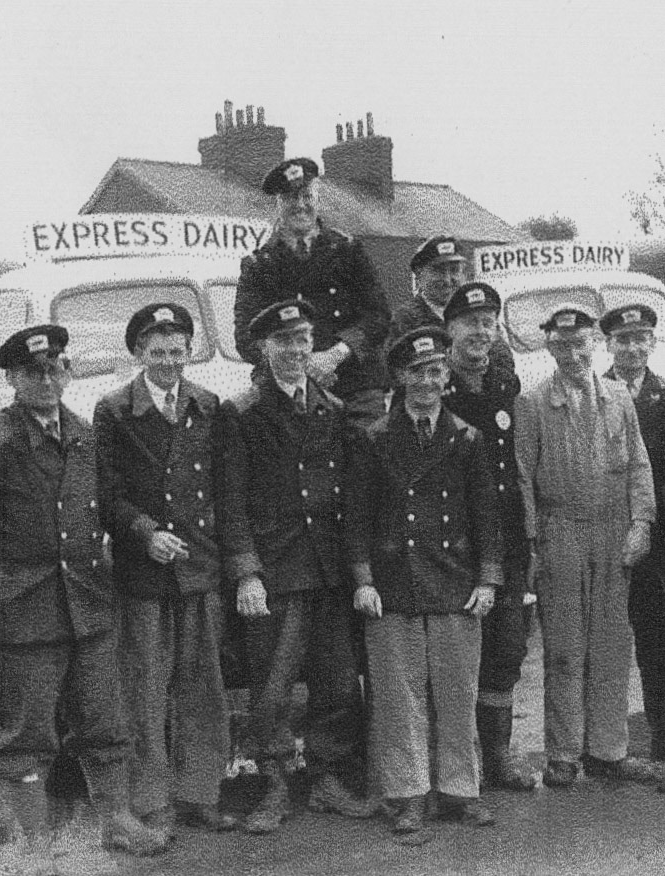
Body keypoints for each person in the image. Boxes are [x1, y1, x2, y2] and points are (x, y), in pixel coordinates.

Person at [0, 325, 168, 874]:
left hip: (86, 605)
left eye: (55, 369)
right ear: (12, 379)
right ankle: (34, 846)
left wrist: (142, 530)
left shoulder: (85, 435)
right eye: (32, 372)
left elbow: (103, 504)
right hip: (22, 611)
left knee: (105, 722)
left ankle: (116, 821)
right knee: (27, 735)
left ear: (66, 373)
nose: (46, 380)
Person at [222, 299, 374, 834]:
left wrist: (357, 574)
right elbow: (231, 501)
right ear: (264, 348)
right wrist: (246, 572)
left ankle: (330, 778)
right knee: (272, 686)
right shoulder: (242, 413)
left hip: (327, 568)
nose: (295, 351)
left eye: (304, 339)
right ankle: (273, 785)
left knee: (336, 683)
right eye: (284, 342)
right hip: (275, 572)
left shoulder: (331, 408)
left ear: (314, 344)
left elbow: (349, 499)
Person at [344, 326, 502, 834]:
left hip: (455, 581)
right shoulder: (372, 439)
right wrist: (363, 579)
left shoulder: (467, 438)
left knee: (458, 691)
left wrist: (489, 579)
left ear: (447, 375)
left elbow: (487, 516)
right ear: (399, 376)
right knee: (397, 695)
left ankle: (460, 789)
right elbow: (356, 517)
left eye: (435, 371)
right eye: (417, 372)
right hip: (393, 582)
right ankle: (407, 793)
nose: (427, 382)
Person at [93, 304, 241, 836]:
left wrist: (229, 562)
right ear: (138, 354)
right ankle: (152, 801)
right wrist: (144, 532)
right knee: (145, 692)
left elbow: (226, 490)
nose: (169, 364)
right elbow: (104, 494)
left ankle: (200, 793)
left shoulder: (208, 405)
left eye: (178, 352)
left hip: (198, 568)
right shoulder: (113, 412)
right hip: (145, 574)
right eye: (158, 353)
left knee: (203, 688)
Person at [513, 304, 656, 788]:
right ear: (551, 347)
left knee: (613, 644)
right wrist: (532, 544)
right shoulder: (533, 403)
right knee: (565, 648)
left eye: (581, 344)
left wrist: (642, 522)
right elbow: (523, 479)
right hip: (562, 531)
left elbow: (639, 464)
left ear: (594, 344)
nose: (574, 354)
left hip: (613, 529)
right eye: (563, 345)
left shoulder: (618, 396)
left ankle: (608, 749)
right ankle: (564, 752)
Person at [441, 282, 536, 791]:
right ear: (450, 329)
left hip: (506, 536)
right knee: (458, 657)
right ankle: (458, 765)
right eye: (470, 322)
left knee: (507, 648)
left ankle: (497, 758)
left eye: (488, 322)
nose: (481, 331)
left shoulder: (504, 384)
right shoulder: (437, 386)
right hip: (456, 545)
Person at [599, 304, 665, 765]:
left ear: (652, 344)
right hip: (602, 530)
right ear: (610, 345)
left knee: (657, 634)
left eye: (642, 338)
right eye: (624, 339)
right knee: (602, 635)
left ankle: (663, 729)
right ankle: (600, 739)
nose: (633, 348)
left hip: (655, 537)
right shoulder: (593, 392)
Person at [234, 157, 391, 427]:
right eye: (290, 198)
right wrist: (299, 365)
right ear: (278, 204)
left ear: (317, 198)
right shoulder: (260, 265)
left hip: (354, 382)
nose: (300, 205)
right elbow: (246, 337)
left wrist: (334, 355)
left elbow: (378, 316)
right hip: (287, 383)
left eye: (306, 196)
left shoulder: (348, 251)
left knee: (368, 453)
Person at [386, 235, 515, 376]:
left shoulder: (478, 312)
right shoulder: (405, 319)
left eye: (454, 270)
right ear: (419, 275)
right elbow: (394, 372)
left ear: (463, 274)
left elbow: (502, 358)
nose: (447, 280)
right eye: (438, 271)